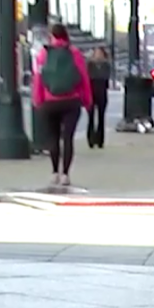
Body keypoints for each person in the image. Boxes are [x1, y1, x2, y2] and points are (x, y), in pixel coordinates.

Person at [32, 24, 92, 188]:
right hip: (71, 101)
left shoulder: (43, 54)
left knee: (53, 138)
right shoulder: (75, 53)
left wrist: (38, 99)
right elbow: (83, 78)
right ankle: (65, 173)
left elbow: (38, 78)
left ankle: (54, 172)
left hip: (49, 102)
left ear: (52, 36)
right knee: (68, 138)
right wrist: (87, 100)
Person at [86, 47, 111, 148]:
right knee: (91, 117)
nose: (98, 56)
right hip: (91, 92)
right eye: (96, 53)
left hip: (102, 92)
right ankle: (91, 139)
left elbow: (105, 78)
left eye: (100, 53)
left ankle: (100, 140)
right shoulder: (89, 65)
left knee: (101, 117)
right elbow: (88, 77)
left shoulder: (106, 65)